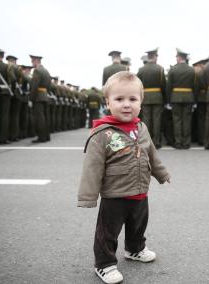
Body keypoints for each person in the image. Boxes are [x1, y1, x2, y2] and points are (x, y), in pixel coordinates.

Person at [77, 71, 170, 284]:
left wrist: (161, 173)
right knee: (108, 232)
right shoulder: (102, 134)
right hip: (115, 195)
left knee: (138, 225)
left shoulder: (141, 127)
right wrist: (87, 197)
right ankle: (104, 264)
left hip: (140, 191)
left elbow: (151, 153)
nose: (126, 104)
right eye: (119, 99)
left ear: (141, 103)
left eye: (132, 99)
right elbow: (92, 167)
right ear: (108, 103)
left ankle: (134, 249)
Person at [166, 48, 197, 149]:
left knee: (177, 120)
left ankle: (178, 142)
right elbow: (195, 86)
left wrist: (168, 100)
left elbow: (169, 86)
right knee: (187, 120)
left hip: (175, 97)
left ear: (179, 57)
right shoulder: (192, 70)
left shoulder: (173, 69)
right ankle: (186, 142)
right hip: (189, 97)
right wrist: (194, 100)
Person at [137, 48, 166, 149]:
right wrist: (164, 98)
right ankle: (156, 142)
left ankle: (146, 141)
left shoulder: (141, 69)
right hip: (157, 97)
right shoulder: (160, 69)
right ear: (155, 56)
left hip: (145, 97)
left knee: (146, 120)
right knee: (157, 120)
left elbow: (138, 85)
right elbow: (163, 85)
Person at [29, 54, 51, 143]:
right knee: (45, 117)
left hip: (38, 96)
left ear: (36, 61)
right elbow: (49, 85)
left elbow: (34, 86)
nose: (32, 63)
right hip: (45, 95)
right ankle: (47, 136)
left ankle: (41, 137)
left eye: (32, 61)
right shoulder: (46, 71)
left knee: (39, 117)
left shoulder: (37, 71)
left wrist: (31, 98)